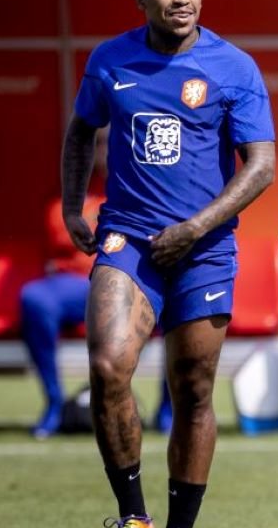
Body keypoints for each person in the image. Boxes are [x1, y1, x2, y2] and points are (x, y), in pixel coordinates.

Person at [61, 0, 276, 528]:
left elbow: (260, 166)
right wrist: (77, 207)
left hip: (204, 247)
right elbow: (80, 131)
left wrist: (196, 227)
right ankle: (133, 516)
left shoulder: (233, 67)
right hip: (127, 238)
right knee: (107, 367)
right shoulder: (110, 60)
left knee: (193, 390)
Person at [23, 129, 174, 439]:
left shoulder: (142, 182)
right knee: (35, 298)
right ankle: (54, 404)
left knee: (180, 303)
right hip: (78, 284)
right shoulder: (76, 189)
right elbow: (62, 233)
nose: (103, 150)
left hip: (133, 279)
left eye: (108, 142)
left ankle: (168, 412)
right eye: (98, 144)